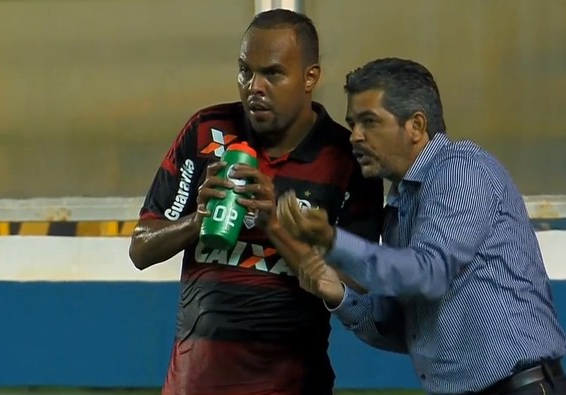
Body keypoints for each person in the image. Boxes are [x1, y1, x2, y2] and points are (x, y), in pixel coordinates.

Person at [128, 9, 383, 395]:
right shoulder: (207, 132)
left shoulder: (345, 159)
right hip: (193, 386)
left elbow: (355, 283)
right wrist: (197, 220)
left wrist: (275, 224)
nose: (254, 87)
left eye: (273, 74)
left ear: (310, 77)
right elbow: (141, 247)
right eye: (245, 71)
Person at [277, 57, 566, 395]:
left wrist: (332, 241)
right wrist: (339, 295)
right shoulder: (399, 208)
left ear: (415, 126)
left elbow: (428, 273)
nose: (354, 136)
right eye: (352, 123)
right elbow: (407, 331)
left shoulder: (460, 170)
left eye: (369, 122)